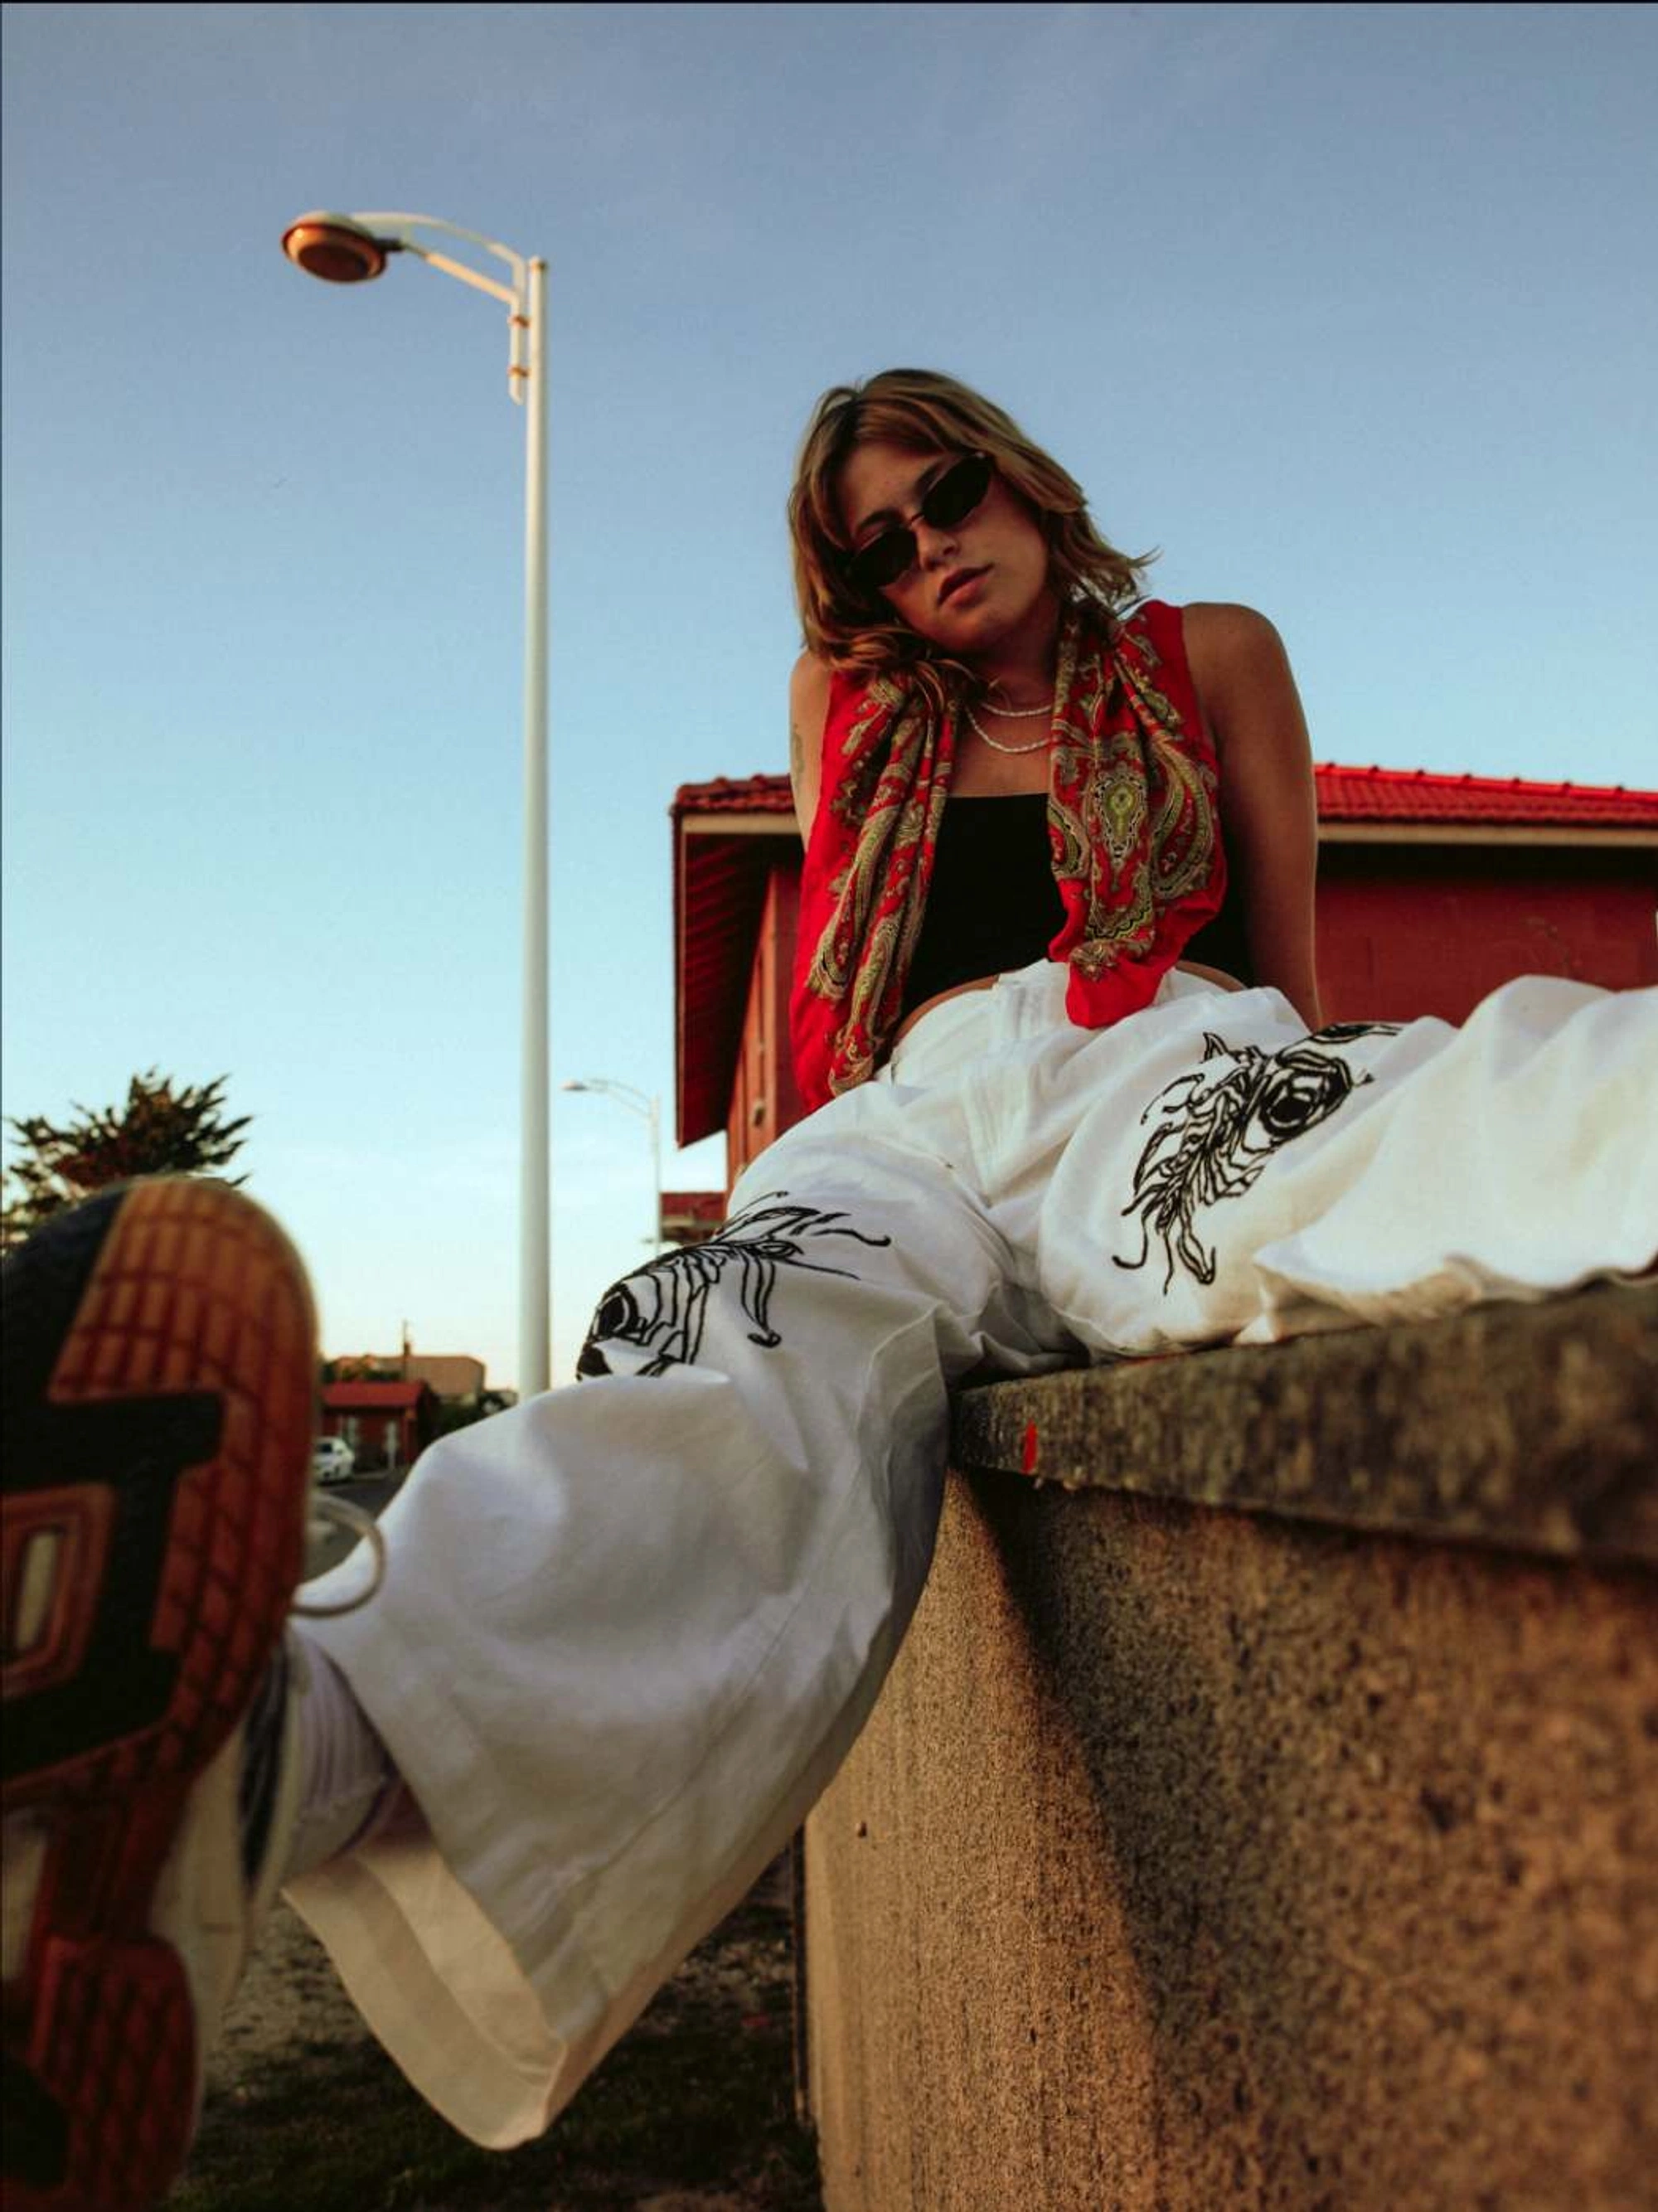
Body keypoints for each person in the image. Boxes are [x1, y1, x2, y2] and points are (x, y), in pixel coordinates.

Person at [4, 369, 1653, 2212]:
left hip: (1144, 1060)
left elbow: (1286, 957)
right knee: (733, 1360)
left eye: (945, 490)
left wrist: (1298, 1075)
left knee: (1412, 1121)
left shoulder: (1215, 651)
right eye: (873, 539)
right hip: (895, 1121)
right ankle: (239, 1776)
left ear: (1019, 475)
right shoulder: (849, 710)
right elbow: (839, 1009)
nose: (928, 539)